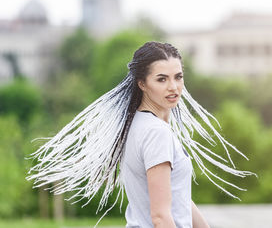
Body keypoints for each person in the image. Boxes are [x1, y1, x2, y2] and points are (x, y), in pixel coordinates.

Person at [27, 42, 255, 228]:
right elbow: (160, 217)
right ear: (142, 84)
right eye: (162, 79)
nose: (174, 87)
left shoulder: (136, 125)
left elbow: (176, 198)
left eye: (178, 77)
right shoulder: (156, 133)